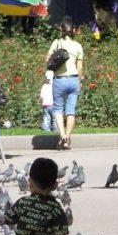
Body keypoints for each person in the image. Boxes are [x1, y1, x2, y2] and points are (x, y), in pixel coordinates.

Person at [46, 20, 84, 150]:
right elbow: (79, 68)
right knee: (71, 110)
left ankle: (62, 135)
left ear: (61, 30)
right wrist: (79, 81)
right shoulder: (78, 46)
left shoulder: (56, 43)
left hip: (60, 80)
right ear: (73, 31)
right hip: (73, 80)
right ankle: (67, 139)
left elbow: (47, 60)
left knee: (57, 109)